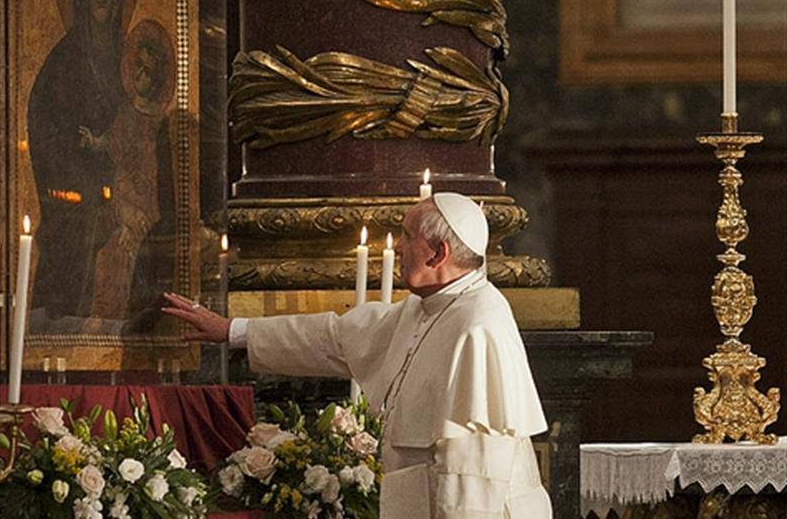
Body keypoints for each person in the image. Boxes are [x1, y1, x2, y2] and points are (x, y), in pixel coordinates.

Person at [163, 192, 552, 518]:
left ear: (438, 252)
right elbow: (332, 337)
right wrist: (233, 330)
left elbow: (475, 473)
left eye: (407, 236)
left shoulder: (477, 325)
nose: (399, 247)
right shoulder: (424, 308)